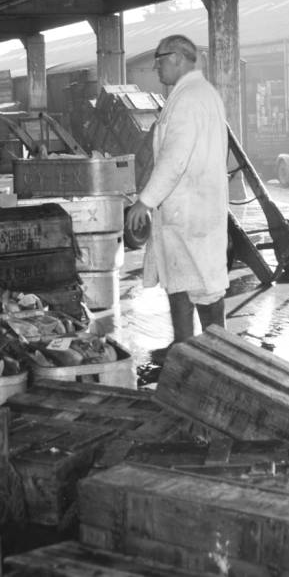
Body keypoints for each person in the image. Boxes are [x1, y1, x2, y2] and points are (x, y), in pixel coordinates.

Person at [125, 34, 230, 345]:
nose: (156, 68)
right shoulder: (200, 93)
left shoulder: (188, 98)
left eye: (160, 60)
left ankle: (212, 352)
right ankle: (188, 348)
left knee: (201, 286)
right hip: (194, 207)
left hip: (189, 211)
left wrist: (145, 201)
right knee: (184, 282)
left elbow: (174, 159)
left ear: (178, 58)